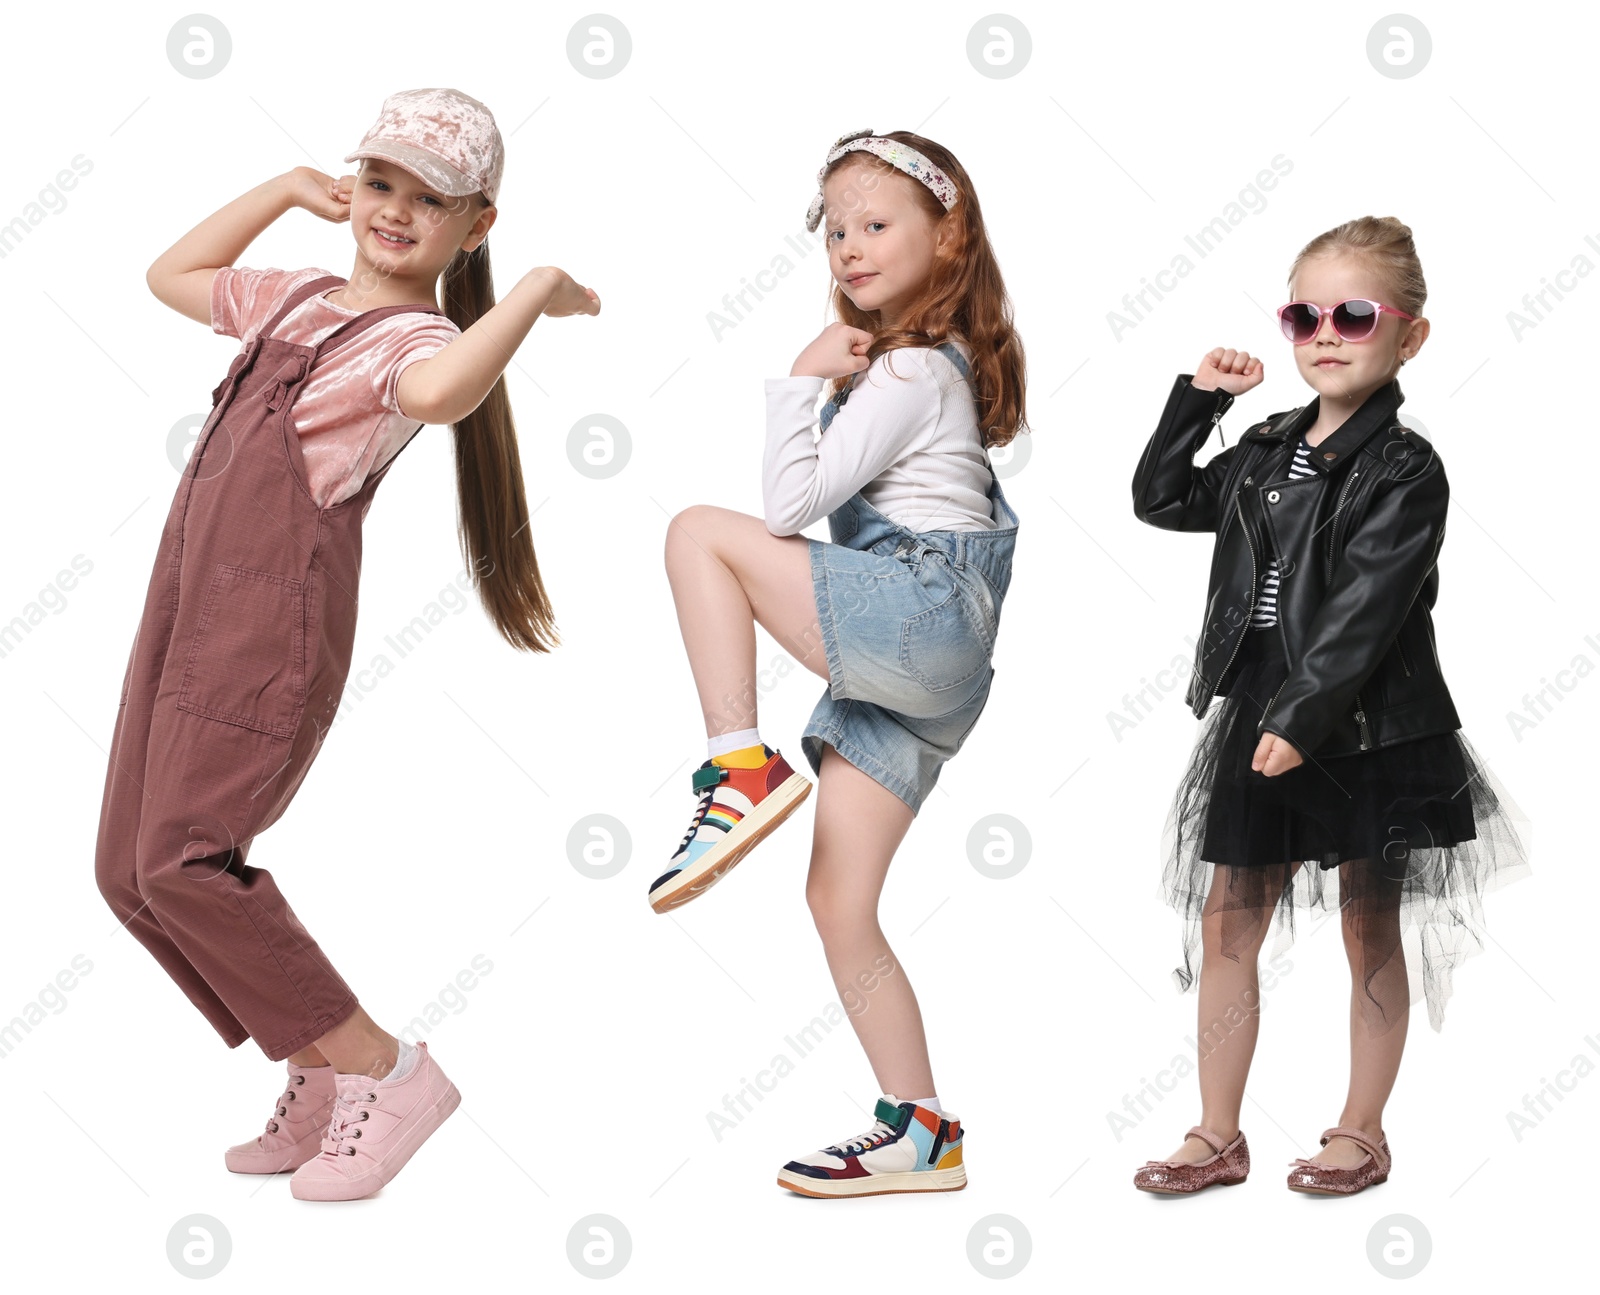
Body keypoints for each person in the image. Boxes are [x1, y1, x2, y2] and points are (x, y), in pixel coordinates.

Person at [94, 87, 599, 1202]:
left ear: (476, 224)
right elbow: (168, 277)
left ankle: (388, 1069)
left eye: (434, 199)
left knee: (183, 858)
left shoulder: (414, 340)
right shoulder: (296, 296)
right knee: (127, 872)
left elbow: (450, 391)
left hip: (265, 634)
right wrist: (282, 189)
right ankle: (318, 1066)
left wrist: (527, 297)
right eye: (380, 182)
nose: (396, 211)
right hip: (180, 613)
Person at [656, 130, 1026, 1197]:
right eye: (835, 229)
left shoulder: (911, 366)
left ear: (945, 236)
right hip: (918, 662)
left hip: (919, 613)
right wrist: (823, 390)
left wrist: (795, 382)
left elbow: (784, 508)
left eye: (876, 224)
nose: (850, 247)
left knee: (698, 533)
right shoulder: (911, 367)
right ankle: (921, 1128)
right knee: (837, 898)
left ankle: (739, 766)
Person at [1129, 216, 1529, 1196]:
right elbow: (1161, 497)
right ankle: (1216, 1131)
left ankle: (1359, 1128)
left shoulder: (1403, 467)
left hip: (1365, 721)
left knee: (1368, 921)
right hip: (1260, 698)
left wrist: (1298, 717)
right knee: (1230, 914)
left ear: (1408, 335)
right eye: (1303, 313)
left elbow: (1364, 610)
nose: (1324, 332)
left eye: (1353, 313)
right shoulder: (1264, 448)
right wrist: (1198, 403)